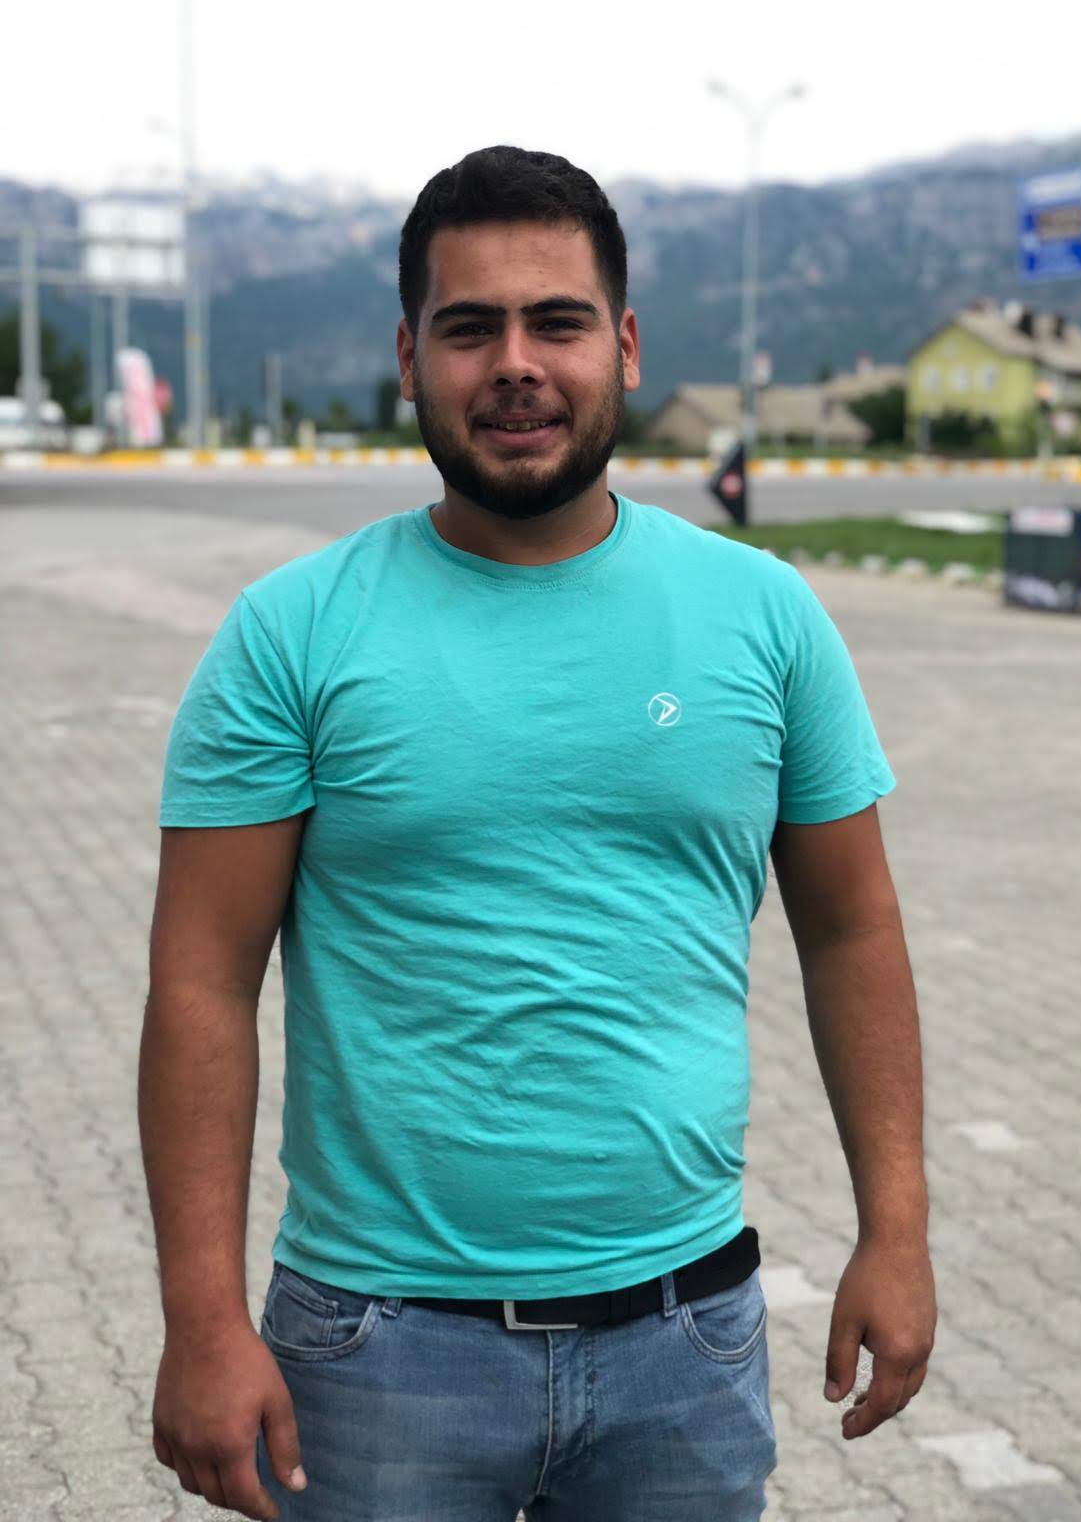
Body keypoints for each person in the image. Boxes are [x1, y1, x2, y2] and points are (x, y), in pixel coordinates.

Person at [141, 144, 936, 1522]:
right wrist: (202, 1322)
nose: (516, 364)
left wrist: (899, 1230)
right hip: (376, 1346)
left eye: (556, 322)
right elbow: (202, 983)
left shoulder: (765, 616)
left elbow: (853, 930)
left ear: (624, 345)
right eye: (470, 328)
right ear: (410, 357)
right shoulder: (291, 633)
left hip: (685, 1340)